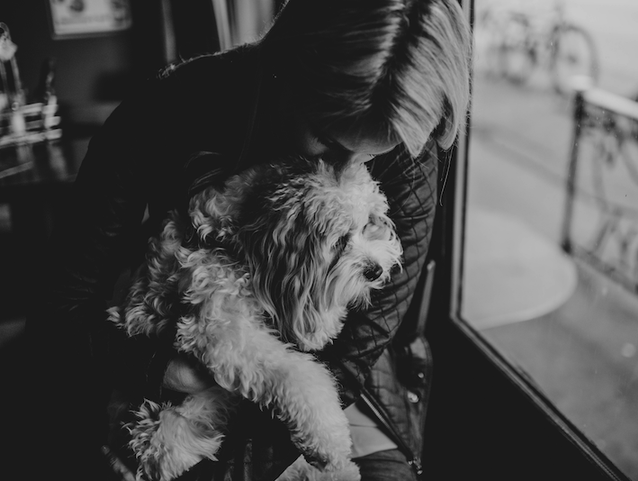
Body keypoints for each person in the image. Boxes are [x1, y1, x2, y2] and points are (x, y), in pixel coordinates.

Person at [23, 0, 471, 479]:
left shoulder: (405, 134)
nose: (346, 172)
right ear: (287, 63)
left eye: (373, 154)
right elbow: (59, 313)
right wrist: (162, 370)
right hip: (177, 368)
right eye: (328, 140)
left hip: (342, 382)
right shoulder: (163, 110)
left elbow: (354, 356)